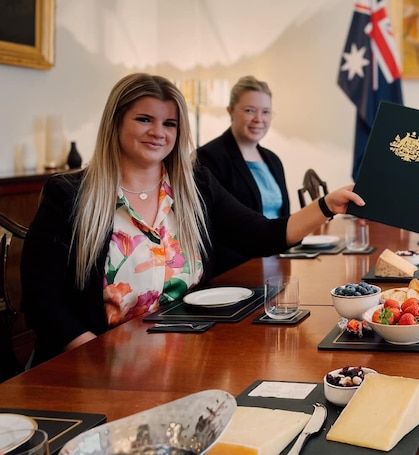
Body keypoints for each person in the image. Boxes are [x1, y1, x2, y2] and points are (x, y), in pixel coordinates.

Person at [20, 73, 362, 365]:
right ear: (116, 121)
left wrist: (327, 205)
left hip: (186, 358)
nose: (159, 132)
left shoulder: (195, 184)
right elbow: (42, 302)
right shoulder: (69, 195)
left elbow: (263, 234)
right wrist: (96, 360)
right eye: (144, 119)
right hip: (94, 366)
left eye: (169, 123)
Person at [196, 76, 290, 273]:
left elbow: (283, 217)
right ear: (230, 111)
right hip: (236, 270)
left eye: (266, 112)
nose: (259, 119)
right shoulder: (208, 158)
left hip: (277, 262)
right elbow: (216, 229)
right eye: (249, 110)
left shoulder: (273, 159)